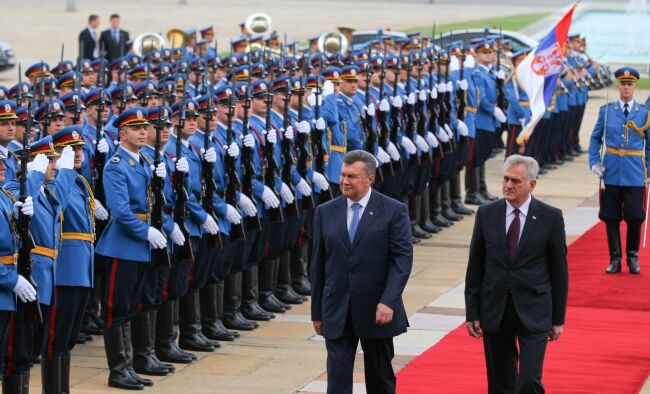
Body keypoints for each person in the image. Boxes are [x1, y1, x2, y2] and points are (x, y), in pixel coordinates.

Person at [311, 150, 413, 394]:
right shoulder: (326, 211)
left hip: (377, 309)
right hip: (337, 308)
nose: (345, 181)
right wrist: (318, 312)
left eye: (352, 177)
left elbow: (402, 260)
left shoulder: (393, 210)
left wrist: (388, 301)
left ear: (370, 179)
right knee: (337, 381)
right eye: (343, 175)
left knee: (379, 379)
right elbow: (318, 264)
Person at [464, 154, 568, 394]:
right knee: (500, 383)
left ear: (532, 184)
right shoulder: (487, 213)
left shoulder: (550, 217)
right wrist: (472, 311)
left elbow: (559, 271)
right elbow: (475, 267)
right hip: (495, 309)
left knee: (529, 380)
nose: (508, 185)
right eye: (505, 179)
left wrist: (558, 318)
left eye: (516, 181)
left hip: (534, 308)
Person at [589, 66, 648, 274]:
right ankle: (615, 258)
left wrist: (648, 170)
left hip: (634, 173)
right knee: (611, 216)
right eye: (622, 84)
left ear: (635, 87)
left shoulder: (643, 113)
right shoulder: (607, 111)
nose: (626, 88)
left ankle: (632, 257)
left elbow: (649, 145)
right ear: (617, 86)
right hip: (611, 171)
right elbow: (596, 138)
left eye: (629, 84)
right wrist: (594, 161)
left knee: (634, 216)